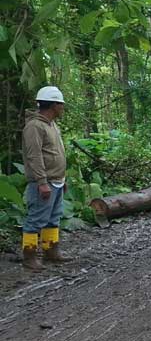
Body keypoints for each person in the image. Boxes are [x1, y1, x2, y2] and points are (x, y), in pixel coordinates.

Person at [21, 86, 69, 271]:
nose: (62, 108)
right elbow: (34, 156)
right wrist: (42, 182)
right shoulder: (34, 126)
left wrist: (63, 178)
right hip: (44, 182)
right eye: (60, 105)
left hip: (56, 180)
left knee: (53, 218)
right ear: (53, 105)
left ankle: (51, 251)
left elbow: (56, 153)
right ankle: (29, 256)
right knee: (36, 219)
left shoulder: (51, 124)